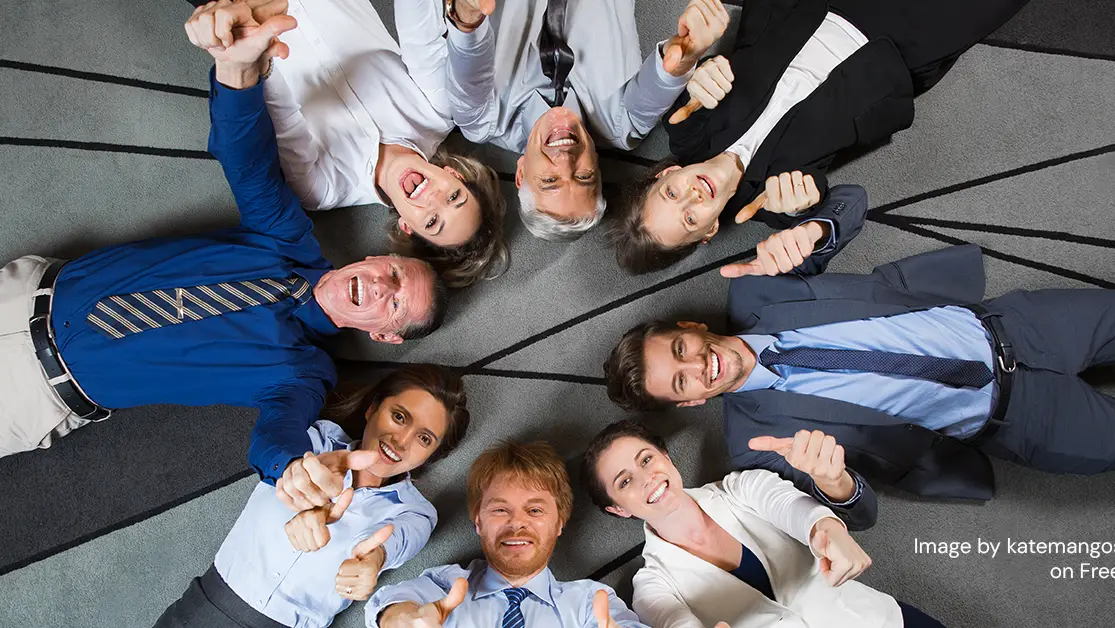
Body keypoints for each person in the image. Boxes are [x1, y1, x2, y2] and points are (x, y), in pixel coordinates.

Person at [0, 13, 445, 496]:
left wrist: (293, 470)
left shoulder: (303, 373)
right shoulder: (288, 237)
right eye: (395, 272)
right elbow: (248, 161)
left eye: (395, 303)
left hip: (32, 395)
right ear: (376, 259)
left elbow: (277, 438)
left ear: (382, 334)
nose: (382, 285)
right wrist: (239, 75)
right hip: (23, 292)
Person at [604, 244, 1115, 502]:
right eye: (681, 381)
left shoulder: (758, 284)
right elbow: (858, 511)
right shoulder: (755, 447)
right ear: (687, 404)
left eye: (680, 349)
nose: (697, 366)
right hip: (1023, 423)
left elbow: (851, 204)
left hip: (1020, 324)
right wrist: (837, 486)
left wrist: (816, 229)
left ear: (689, 327)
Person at [609, 0, 1029, 274]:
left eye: (670, 194)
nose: (691, 197)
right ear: (708, 230)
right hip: (896, 48)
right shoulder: (775, 207)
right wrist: (808, 212)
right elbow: (844, 209)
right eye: (689, 219)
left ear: (667, 174)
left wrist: (701, 70)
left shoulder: (685, 124)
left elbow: (687, 71)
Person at [184, 0, 508, 288]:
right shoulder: (439, 112)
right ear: (455, 174)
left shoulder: (324, 189)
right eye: (454, 196)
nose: (433, 197)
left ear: (408, 227)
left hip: (243, 14)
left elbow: (280, 113)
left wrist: (258, 52)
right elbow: (418, 30)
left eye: (433, 221)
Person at [155, 364, 471, 628]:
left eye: (424, 438)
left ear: (431, 455)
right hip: (200, 610)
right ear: (373, 408)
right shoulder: (315, 440)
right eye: (399, 416)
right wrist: (297, 477)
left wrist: (373, 560)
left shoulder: (415, 513)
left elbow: (397, 543)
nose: (401, 440)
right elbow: (271, 441)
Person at [582, 420, 947, 628]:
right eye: (625, 482)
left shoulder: (742, 486)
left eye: (646, 459)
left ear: (665, 456)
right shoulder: (650, 586)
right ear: (618, 510)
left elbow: (796, 510)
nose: (646, 477)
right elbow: (675, 623)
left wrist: (829, 529)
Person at [441, 0, 728, 241]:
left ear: (520, 173)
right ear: (597, 168)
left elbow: (469, 53)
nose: (566, 159)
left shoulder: (481, 120)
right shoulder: (624, 126)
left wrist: (468, 14)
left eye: (550, 180)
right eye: (583, 176)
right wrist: (687, 53)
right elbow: (663, 79)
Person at [365, 440, 648, 628]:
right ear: (478, 521)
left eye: (535, 511)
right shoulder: (447, 585)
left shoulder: (590, 602)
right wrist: (400, 619)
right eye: (500, 510)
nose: (517, 523)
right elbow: (392, 604)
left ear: (559, 523)